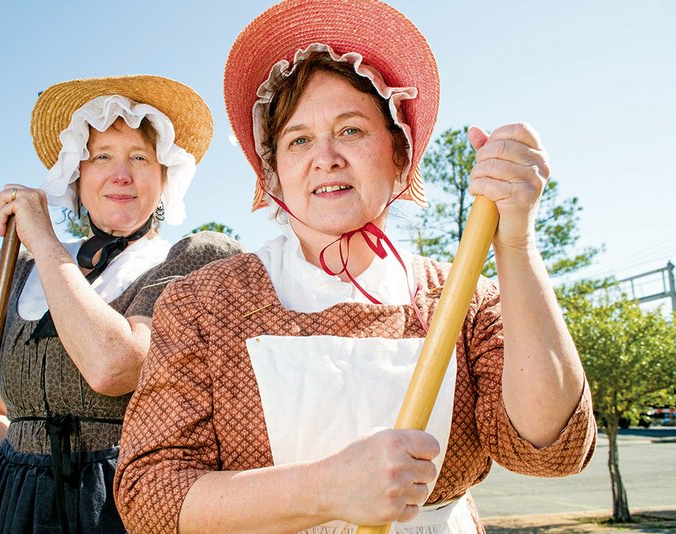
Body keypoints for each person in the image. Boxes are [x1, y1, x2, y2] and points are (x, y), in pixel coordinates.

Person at [115, 1, 598, 532]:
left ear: (399, 153)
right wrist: (326, 488)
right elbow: (149, 496)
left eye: (351, 131)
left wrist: (516, 246)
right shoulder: (203, 303)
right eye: (299, 140)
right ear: (272, 173)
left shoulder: (463, 298)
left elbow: (551, 451)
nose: (326, 157)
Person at [0, 75, 244, 533]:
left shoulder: (187, 265)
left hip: (121, 503)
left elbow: (113, 366)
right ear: (77, 176)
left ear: (165, 178)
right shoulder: (7, 275)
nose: (121, 174)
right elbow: (0, 410)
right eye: (102, 157)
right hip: (11, 507)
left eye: (140, 157)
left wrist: (43, 240)